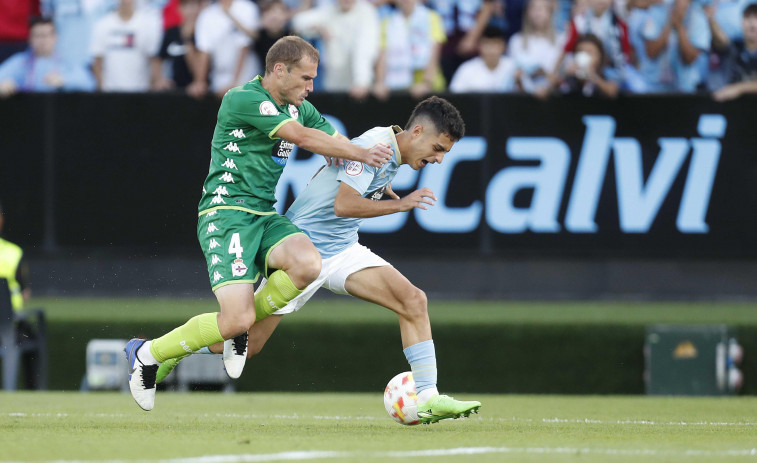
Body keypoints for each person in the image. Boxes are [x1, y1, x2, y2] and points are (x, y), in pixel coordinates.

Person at [155, 96, 482, 424]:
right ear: (418, 132)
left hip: (341, 250)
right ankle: (166, 351)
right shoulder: (374, 145)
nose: (439, 159)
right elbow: (344, 205)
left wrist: (379, 185)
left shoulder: (390, 153)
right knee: (249, 342)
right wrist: (401, 204)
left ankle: (427, 396)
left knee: (413, 300)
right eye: (438, 148)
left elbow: (346, 178)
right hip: (300, 254)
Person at [124, 35, 393, 412]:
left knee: (307, 263)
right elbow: (302, 138)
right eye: (304, 78)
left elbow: (336, 142)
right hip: (226, 214)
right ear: (278, 70)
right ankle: (148, 354)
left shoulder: (301, 107)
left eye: (314, 79)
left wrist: (373, 176)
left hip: (264, 215)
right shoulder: (243, 98)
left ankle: (237, 332)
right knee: (236, 319)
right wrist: (362, 153)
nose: (310, 87)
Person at [291, 0, 380, 99]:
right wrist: (318, 28)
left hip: (359, 89)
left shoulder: (366, 12)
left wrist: (362, 81)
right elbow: (298, 21)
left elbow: (364, 49)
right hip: (333, 85)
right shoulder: (328, 11)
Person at [0, 16, 95, 97]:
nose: (43, 41)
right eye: (38, 36)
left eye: (46, 35)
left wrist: (64, 81)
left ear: (55, 37)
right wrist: (4, 85)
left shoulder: (67, 61)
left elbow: (89, 84)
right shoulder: (20, 62)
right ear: (30, 38)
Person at [372, 0, 447, 99]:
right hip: (396, 88)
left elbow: (434, 53)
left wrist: (426, 83)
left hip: (429, 88)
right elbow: (382, 54)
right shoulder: (387, 22)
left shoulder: (431, 17)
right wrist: (380, 82)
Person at [187, 0, 259, 98]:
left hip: (247, 76)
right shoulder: (207, 14)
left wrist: (235, 83)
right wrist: (200, 82)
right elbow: (204, 51)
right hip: (219, 76)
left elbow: (244, 47)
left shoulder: (247, 8)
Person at [90, 0, 167, 92]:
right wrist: (102, 88)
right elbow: (97, 61)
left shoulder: (146, 25)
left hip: (140, 94)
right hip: (110, 94)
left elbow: (154, 61)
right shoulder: (103, 25)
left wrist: (150, 88)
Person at [0, 201, 37, 389]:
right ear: (1, 220)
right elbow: (25, 293)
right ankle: (32, 390)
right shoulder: (13, 253)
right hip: (9, 327)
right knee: (32, 338)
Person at [449, 25, 517, 92]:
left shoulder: (513, 67)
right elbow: (454, 96)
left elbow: (525, 97)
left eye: (495, 44)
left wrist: (518, 82)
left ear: (503, 46)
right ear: (479, 46)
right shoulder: (466, 69)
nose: (491, 49)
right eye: (487, 44)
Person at [713, 2, 757, 100]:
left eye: (755, 18)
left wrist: (739, 88)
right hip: (732, 110)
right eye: (747, 18)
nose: (751, 22)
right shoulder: (735, 47)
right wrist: (711, 19)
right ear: (741, 22)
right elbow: (721, 41)